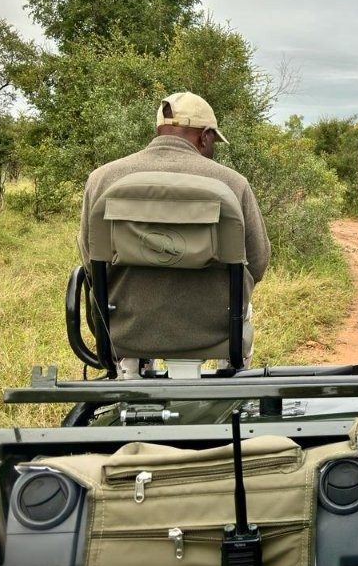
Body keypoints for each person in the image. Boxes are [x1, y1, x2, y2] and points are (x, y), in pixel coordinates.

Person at [78, 92, 271, 376]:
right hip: (215, 329)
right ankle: (232, 380)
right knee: (242, 303)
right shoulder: (233, 183)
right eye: (213, 141)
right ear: (205, 136)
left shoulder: (102, 178)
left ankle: (129, 376)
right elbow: (258, 262)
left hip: (126, 327)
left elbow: (90, 260)